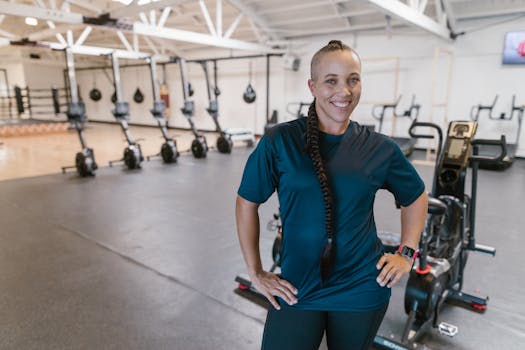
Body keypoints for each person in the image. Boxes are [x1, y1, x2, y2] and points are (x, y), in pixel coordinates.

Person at [235, 40, 428, 350]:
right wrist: (256, 272)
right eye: (331, 81)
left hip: (362, 288)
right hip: (295, 288)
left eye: (353, 79)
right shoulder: (279, 140)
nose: (345, 91)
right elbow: (246, 202)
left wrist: (407, 253)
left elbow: (415, 196)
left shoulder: (380, 148)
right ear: (312, 86)